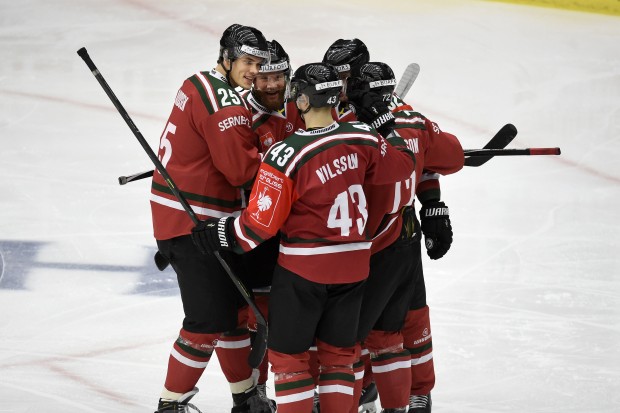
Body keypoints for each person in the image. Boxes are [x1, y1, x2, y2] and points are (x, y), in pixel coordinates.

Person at [190, 62, 416, 413]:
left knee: (290, 360)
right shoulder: (361, 137)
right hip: (355, 269)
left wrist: (218, 232)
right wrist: (387, 126)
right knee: (340, 359)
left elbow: (256, 228)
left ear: (305, 102)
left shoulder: (286, 154)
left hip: (304, 273)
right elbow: (404, 164)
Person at [150, 23, 276, 413]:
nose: (254, 71)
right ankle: (170, 405)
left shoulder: (196, 83)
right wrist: (285, 163)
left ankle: (245, 397)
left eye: (259, 63)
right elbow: (241, 171)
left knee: (236, 313)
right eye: (247, 62)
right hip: (196, 225)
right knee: (208, 319)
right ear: (226, 57)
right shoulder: (226, 104)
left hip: (187, 216)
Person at [345, 62, 464, 413]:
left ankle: (416, 390)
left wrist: (433, 204)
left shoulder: (347, 125)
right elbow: (451, 156)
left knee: (398, 319)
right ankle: (374, 388)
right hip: (383, 236)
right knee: (381, 328)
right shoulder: (408, 121)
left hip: (377, 237)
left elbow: (437, 162)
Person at [238, 38, 304, 401]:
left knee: (307, 315)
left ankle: (306, 391)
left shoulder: (305, 108)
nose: (271, 84)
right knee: (259, 318)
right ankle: (256, 389)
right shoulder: (242, 119)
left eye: (277, 76)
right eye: (263, 78)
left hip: (304, 233)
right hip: (262, 234)